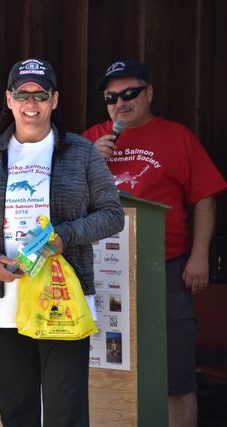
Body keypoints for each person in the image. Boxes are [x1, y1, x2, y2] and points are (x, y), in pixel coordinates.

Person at [0, 58, 125, 427]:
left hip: (64, 300)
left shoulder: (81, 152)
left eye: (41, 95)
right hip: (7, 304)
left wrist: (66, 236)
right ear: (9, 99)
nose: (31, 103)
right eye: (22, 94)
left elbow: (112, 214)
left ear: (54, 100)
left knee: (65, 411)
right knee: (17, 411)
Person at [83, 59, 227, 427]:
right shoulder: (89, 140)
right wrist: (87, 164)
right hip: (102, 272)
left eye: (130, 93)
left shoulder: (177, 137)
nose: (120, 103)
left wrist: (199, 255)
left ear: (149, 93)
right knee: (103, 366)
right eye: (111, 98)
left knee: (174, 372)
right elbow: (60, 203)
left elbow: (205, 198)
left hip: (166, 268)